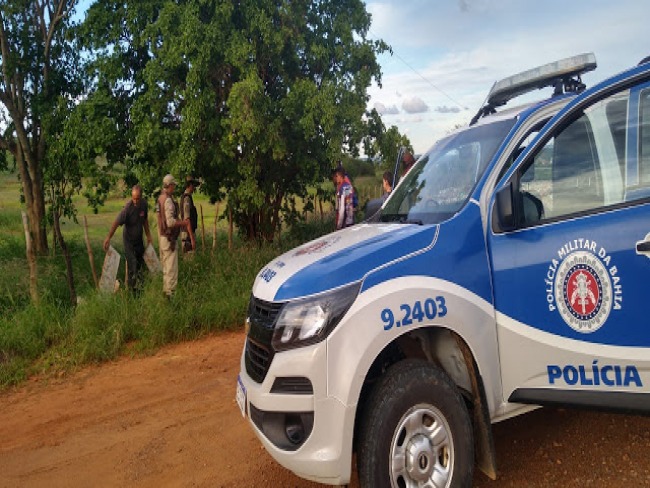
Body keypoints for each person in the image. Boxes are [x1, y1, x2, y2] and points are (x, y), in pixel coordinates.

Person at [103, 185, 153, 293]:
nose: (135, 201)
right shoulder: (127, 209)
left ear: (141, 196)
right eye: (133, 198)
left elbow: (145, 220)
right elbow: (116, 223)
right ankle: (131, 292)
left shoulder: (144, 205)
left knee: (140, 264)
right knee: (132, 265)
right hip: (129, 242)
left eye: (138, 198)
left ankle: (140, 289)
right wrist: (108, 237)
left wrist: (148, 235)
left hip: (139, 240)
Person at [156, 174, 193, 298]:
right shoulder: (167, 200)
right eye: (173, 185)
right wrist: (184, 222)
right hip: (169, 238)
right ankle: (171, 298)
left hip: (162, 238)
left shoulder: (160, 198)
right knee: (171, 270)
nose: (174, 188)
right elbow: (170, 222)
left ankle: (166, 294)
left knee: (166, 270)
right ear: (170, 185)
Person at [180, 176, 200, 253]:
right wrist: (192, 237)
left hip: (188, 232)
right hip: (187, 233)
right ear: (190, 185)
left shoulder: (187, 197)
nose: (194, 188)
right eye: (193, 185)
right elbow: (187, 219)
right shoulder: (187, 198)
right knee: (189, 257)